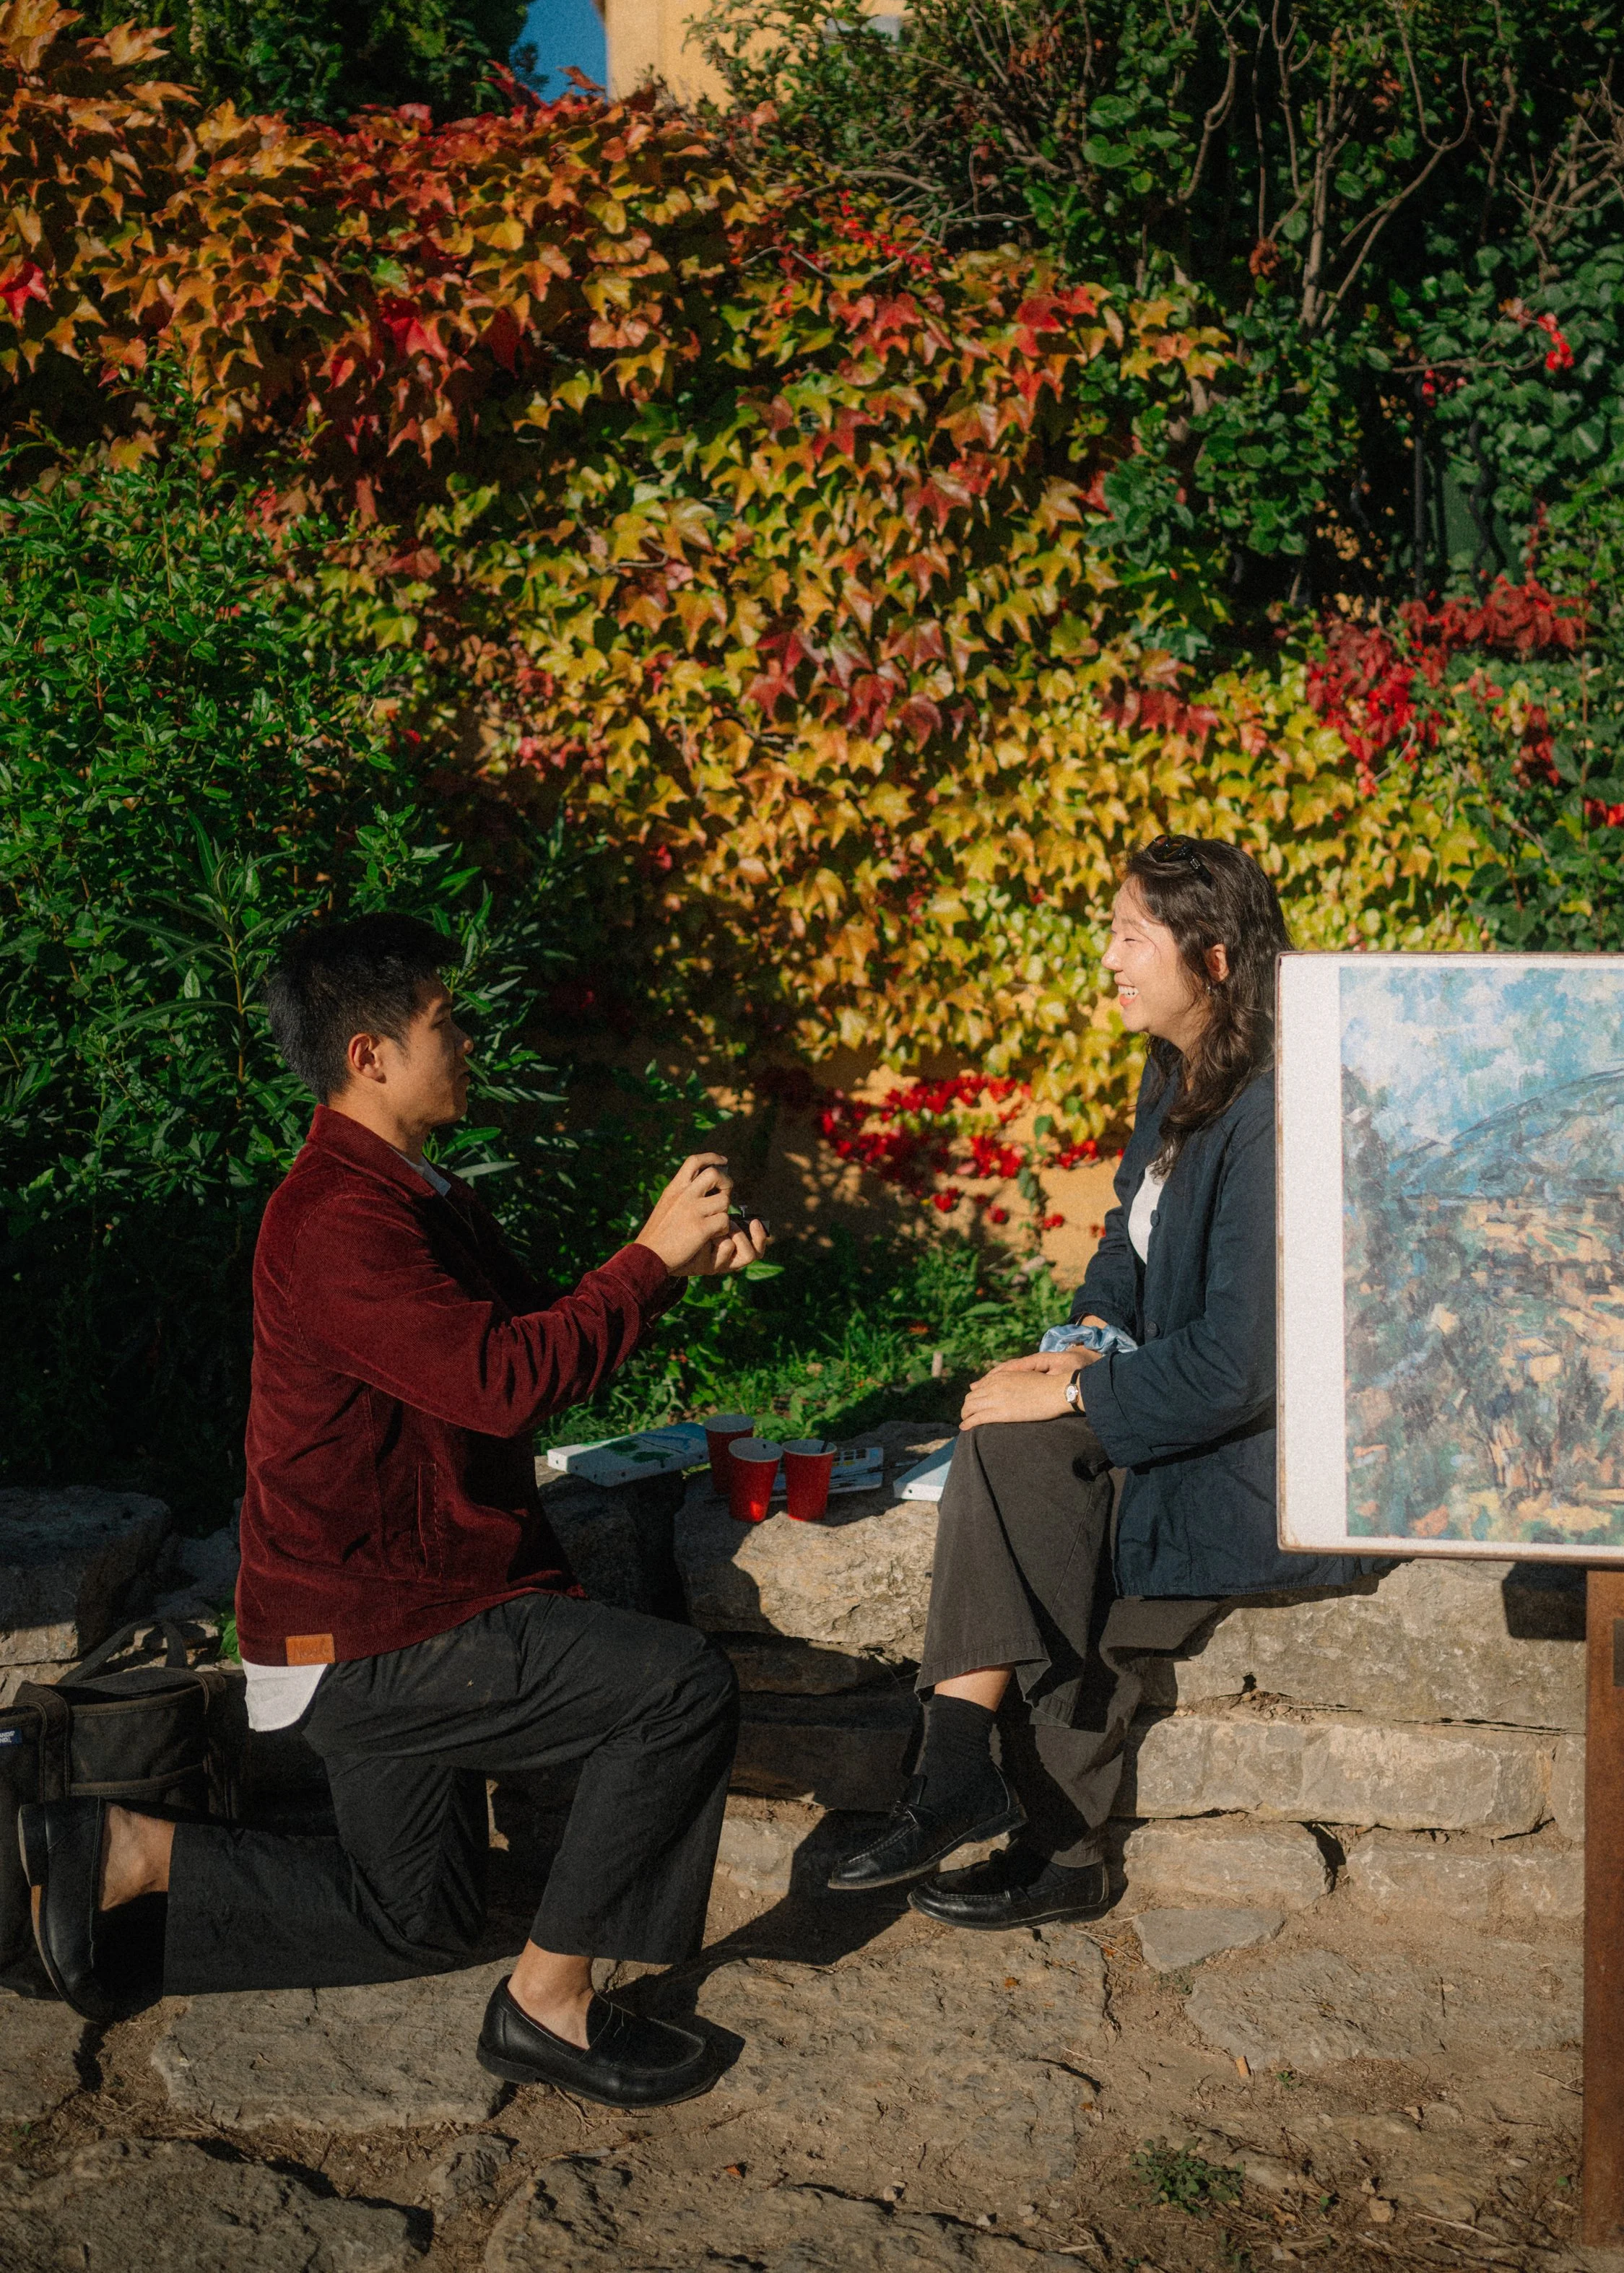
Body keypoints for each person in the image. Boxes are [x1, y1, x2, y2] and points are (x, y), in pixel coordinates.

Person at [19, 914, 765, 2108]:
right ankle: (548, 2005)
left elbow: (523, 1339)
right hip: (381, 1629)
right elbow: (506, 1382)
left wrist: (668, 1273)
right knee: (675, 1689)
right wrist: (646, 1256)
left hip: (389, 1610)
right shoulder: (333, 1220)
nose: (465, 1039)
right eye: (443, 1023)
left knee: (415, 1920)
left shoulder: (413, 1190)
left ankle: (127, 1850)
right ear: (369, 1055)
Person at [828, 835, 1356, 1928]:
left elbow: (1240, 1367)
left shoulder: (1278, 1113)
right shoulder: (1176, 1065)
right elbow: (1130, 1231)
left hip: (1264, 1449)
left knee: (1032, 1475)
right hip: (1171, 1382)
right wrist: (1089, 1333)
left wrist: (1074, 1394)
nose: (1107, 960)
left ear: (1213, 960)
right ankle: (992, 1798)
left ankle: (987, 1796)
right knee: (1003, 1434)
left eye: (1130, 937)